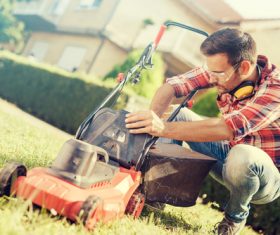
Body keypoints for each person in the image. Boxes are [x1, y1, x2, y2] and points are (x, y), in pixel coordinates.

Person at [125, 28, 280, 235]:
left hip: (265, 178)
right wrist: (150, 122)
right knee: (176, 115)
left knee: (243, 155)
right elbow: (171, 86)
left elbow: (229, 128)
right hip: (227, 154)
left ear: (244, 67)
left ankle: (234, 218)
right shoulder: (222, 67)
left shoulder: (275, 88)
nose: (211, 78)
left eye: (217, 74)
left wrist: (163, 128)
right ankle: (159, 194)